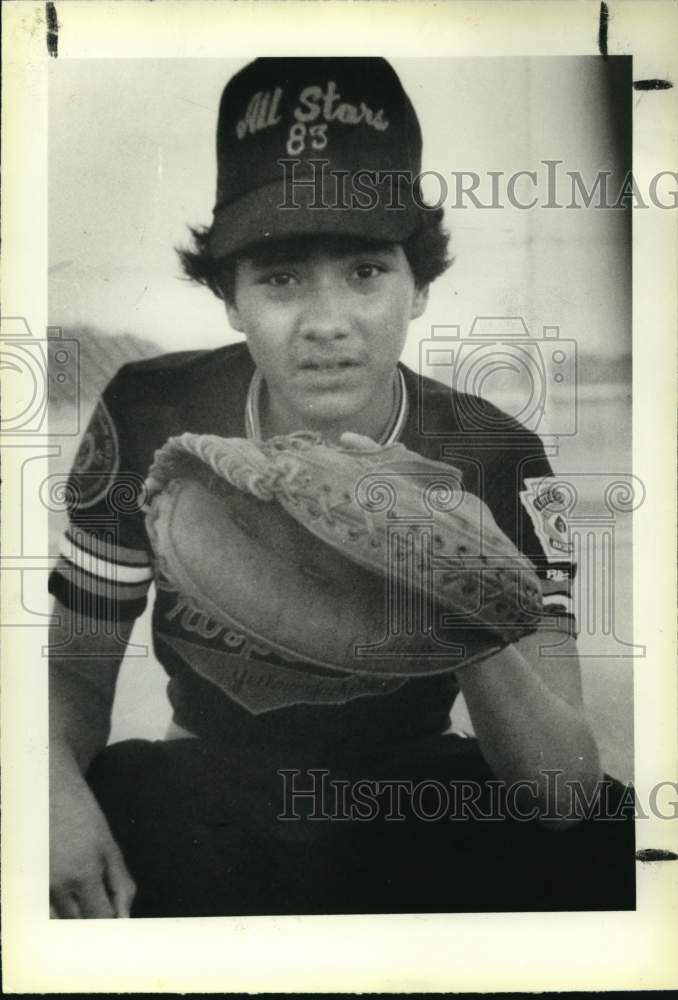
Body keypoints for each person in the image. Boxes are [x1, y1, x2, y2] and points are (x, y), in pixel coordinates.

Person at [49, 57, 634, 919]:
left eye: (365, 271)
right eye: (280, 276)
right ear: (230, 297)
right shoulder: (150, 411)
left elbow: (561, 789)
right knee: (62, 829)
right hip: (203, 788)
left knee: (609, 840)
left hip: (410, 793)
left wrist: (460, 592)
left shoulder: (493, 455)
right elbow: (75, 677)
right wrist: (46, 794)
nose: (326, 321)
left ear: (420, 283)